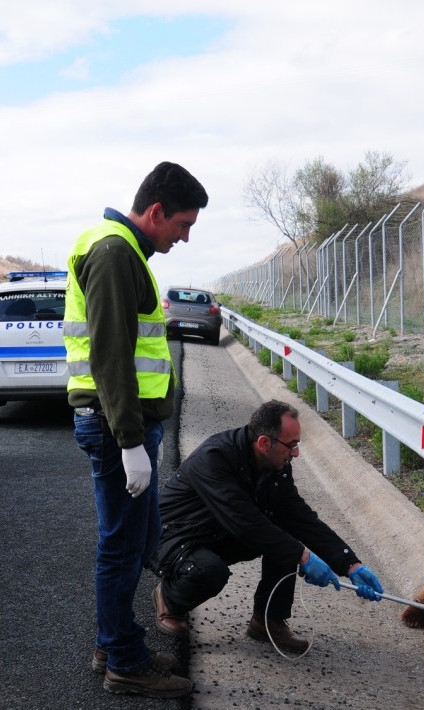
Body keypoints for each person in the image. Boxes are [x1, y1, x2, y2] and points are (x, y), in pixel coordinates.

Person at [64, 162, 208, 698]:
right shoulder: (114, 253)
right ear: (155, 211)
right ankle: (122, 658)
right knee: (122, 546)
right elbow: (110, 357)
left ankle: (114, 638)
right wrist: (129, 443)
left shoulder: (122, 249)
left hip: (124, 425)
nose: (184, 237)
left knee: (138, 538)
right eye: (182, 225)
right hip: (114, 427)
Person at [148, 400, 384, 654]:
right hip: (172, 535)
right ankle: (169, 599)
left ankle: (267, 620)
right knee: (209, 571)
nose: (296, 453)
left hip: (216, 531)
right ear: (264, 443)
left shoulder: (275, 465)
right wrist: (303, 557)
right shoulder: (214, 458)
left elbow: (299, 516)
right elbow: (245, 521)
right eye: (291, 445)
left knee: (284, 534)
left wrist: (349, 563)